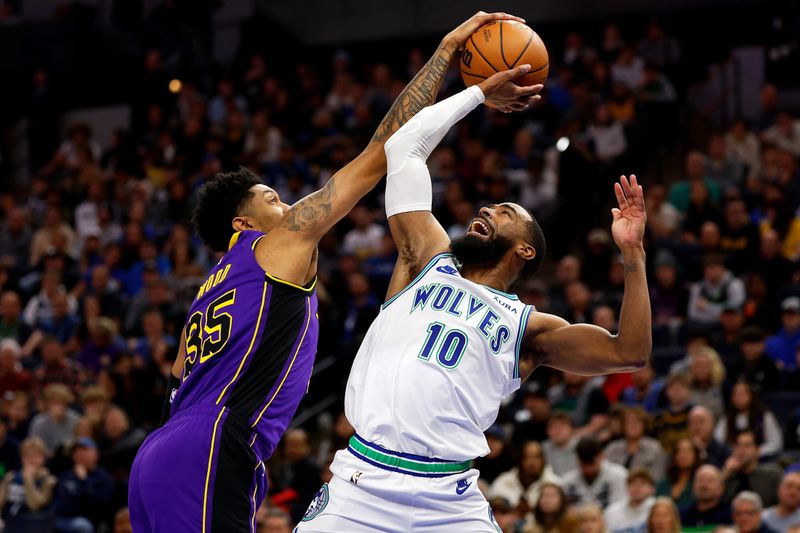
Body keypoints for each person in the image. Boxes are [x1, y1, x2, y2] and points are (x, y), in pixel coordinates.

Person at [128, 11, 541, 533]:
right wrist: (453, 65)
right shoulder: (274, 244)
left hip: (159, 452)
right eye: (273, 199)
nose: (287, 207)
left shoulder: (210, 288)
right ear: (243, 222)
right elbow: (385, 149)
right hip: (212, 445)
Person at [297, 37, 650, 533]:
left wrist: (633, 257)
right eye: (488, 206)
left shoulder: (528, 327)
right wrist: (478, 94)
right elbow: (404, 148)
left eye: (505, 213)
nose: (486, 209)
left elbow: (628, 352)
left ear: (525, 249)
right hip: (362, 483)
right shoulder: (426, 261)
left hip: (448, 499)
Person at [0, 437, 56, 533]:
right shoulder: (11, 477)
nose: (31, 460)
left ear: (43, 459)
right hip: (9, 523)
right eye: (27, 456)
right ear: (22, 459)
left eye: (35, 456)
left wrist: (28, 480)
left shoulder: (48, 481)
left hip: (34, 525)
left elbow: (34, 506)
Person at [489, 441, 562, 511]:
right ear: (520, 460)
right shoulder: (502, 482)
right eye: (527, 457)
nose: (532, 462)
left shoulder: (555, 484)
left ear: (543, 460)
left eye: (537, 457)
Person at [563, 436, 629, 508]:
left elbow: (620, 510)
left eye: (591, 463)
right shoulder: (567, 481)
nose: (588, 469)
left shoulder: (619, 475)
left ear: (601, 456)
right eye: (584, 464)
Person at [722, 430, 783, 507]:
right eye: (738, 445)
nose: (741, 451)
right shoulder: (728, 476)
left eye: (747, 446)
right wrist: (725, 473)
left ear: (757, 450)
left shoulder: (771, 474)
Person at [605, 406, 667, 482]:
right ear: (623, 425)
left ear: (644, 425)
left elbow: (657, 477)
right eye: (628, 422)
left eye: (637, 421)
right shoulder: (612, 448)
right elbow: (604, 475)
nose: (632, 425)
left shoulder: (654, 448)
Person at [604, 468, 656, 533]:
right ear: (626, 487)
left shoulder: (657, 509)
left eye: (642, 483)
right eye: (633, 483)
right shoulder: (611, 511)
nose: (637, 486)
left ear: (651, 488)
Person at [680, 465, 732, 529]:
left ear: (721, 487)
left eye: (710, 481)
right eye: (700, 480)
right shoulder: (682, 515)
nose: (704, 485)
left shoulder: (731, 514)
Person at [655, 437, 700, 510]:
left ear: (696, 455)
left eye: (687, 451)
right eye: (679, 451)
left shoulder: (700, 483)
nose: (683, 455)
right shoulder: (664, 483)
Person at [543, 412, 580, 477]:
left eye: (561, 427)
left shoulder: (581, 446)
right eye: (553, 427)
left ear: (572, 429)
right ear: (547, 431)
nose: (557, 431)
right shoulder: (543, 449)